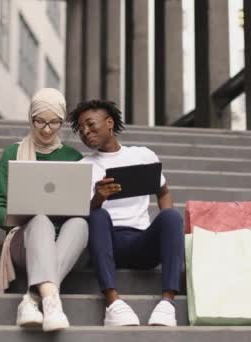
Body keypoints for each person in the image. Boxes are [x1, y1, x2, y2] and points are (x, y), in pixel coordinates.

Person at [67, 99, 184, 327]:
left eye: (90, 124)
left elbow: (164, 193)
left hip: (143, 243)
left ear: (109, 123)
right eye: (81, 129)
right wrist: (97, 199)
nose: (85, 132)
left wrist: (167, 233)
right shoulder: (83, 166)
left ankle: (168, 303)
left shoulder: (143, 155)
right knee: (98, 215)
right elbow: (79, 215)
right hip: (106, 244)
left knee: (171, 217)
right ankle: (113, 303)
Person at [0, 88, 88, 332]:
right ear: (30, 118)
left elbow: (81, 205)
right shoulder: (13, 153)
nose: (46, 129)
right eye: (40, 121)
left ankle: (33, 299)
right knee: (40, 219)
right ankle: (52, 303)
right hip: (24, 240)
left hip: (64, 241)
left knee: (81, 223)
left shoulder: (73, 157)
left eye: (54, 122)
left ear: (62, 121)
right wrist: (21, 216)